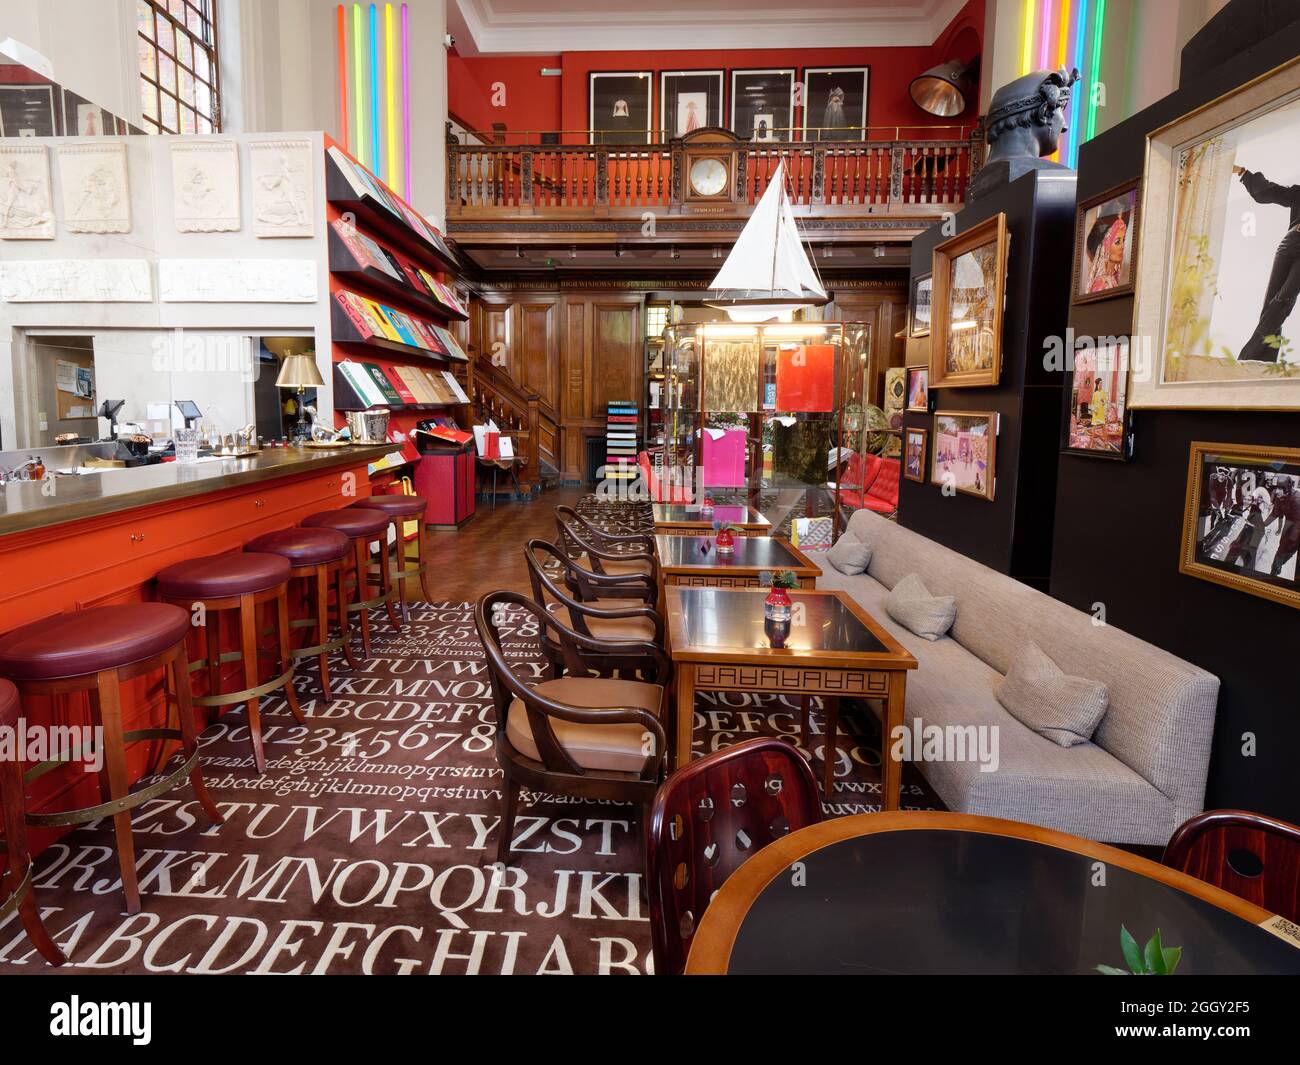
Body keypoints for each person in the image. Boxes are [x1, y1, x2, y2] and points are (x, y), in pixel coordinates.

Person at [1232, 163, 1300, 363]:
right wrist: (1242, 172)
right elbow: (1270, 192)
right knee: (1270, 304)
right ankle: (1264, 363)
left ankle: (1245, 358)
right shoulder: (1299, 193)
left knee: (1283, 301)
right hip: (1290, 243)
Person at [1085, 214, 1128, 292]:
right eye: (1117, 242)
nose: (1122, 246)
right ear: (1106, 247)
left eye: (1123, 240)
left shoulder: (1111, 280)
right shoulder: (1101, 285)